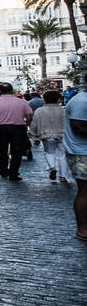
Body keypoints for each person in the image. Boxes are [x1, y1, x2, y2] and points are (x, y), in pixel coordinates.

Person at [0, 83, 34, 180]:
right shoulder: (22, 102)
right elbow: (29, 116)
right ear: (12, 90)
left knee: (1, 150)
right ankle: (13, 172)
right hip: (18, 128)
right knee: (17, 151)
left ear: (0, 91)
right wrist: (27, 124)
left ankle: (3, 170)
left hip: (1, 128)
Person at [63, 86, 87, 241]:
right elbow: (79, 128)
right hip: (82, 154)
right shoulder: (82, 101)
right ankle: (83, 229)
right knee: (85, 191)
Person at [31, 90, 70, 183]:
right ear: (58, 99)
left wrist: (32, 134)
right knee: (62, 155)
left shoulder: (39, 110)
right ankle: (63, 176)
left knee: (49, 152)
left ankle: (52, 168)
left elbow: (34, 124)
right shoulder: (63, 110)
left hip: (46, 135)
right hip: (62, 135)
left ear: (44, 99)